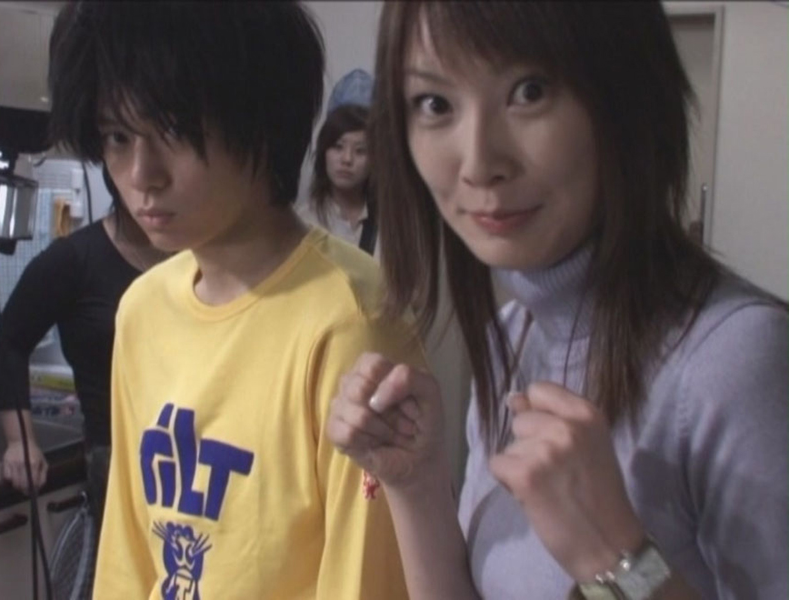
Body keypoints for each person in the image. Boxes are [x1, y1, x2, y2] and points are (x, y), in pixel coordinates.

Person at [326, 2, 789, 599]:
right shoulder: (509, 335)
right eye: (436, 104)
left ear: (625, 96)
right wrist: (415, 485)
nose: (479, 163)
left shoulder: (735, 359)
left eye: (530, 91)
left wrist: (617, 560)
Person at [46, 2, 421, 599]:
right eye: (117, 137)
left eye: (173, 130)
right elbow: (126, 552)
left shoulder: (350, 318)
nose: (141, 174)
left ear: (260, 121)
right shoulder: (142, 309)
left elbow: (362, 581)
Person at [0, 165, 166, 531]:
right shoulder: (74, 259)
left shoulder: (194, 252)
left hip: (198, 448)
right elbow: (10, 341)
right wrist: (19, 440)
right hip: (116, 456)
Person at [298, 104, 378, 255]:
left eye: (360, 151)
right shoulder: (303, 221)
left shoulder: (391, 223)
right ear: (324, 153)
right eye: (338, 147)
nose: (347, 159)